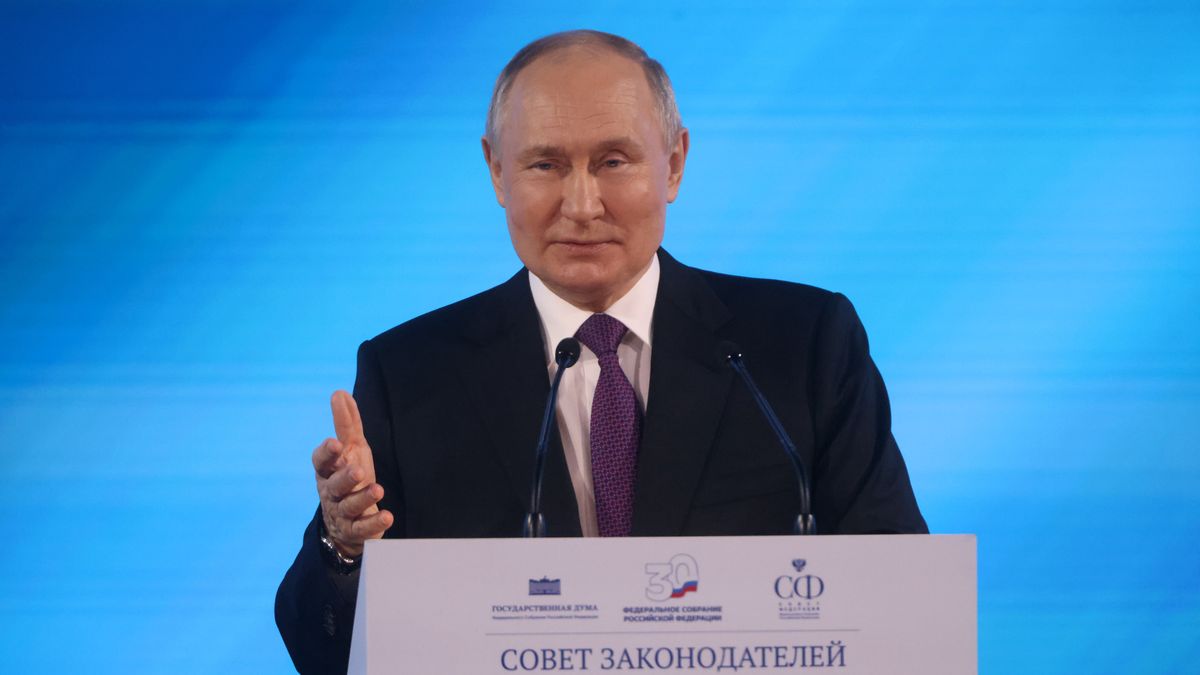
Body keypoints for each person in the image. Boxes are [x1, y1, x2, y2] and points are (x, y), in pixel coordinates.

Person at [275, 29, 926, 674]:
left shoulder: (804, 345)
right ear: (496, 171)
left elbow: (905, 601)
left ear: (673, 164)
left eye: (614, 161)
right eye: (545, 164)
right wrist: (344, 547)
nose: (582, 205)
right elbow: (321, 650)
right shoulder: (410, 373)